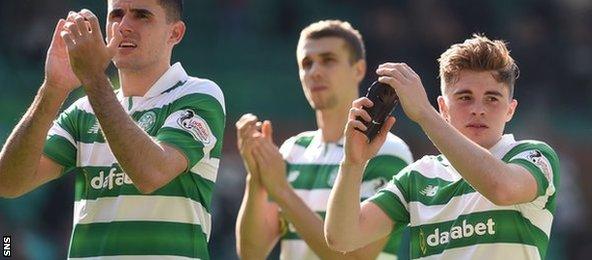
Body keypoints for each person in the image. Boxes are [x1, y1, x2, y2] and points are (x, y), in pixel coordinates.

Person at [0, 0, 225, 258]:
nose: (124, 26)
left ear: (174, 33)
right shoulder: (85, 110)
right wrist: (53, 89)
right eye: (116, 15)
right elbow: (8, 183)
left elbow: (151, 173)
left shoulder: (198, 94)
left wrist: (94, 77)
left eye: (142, 15)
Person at [325, 34, 560, 259]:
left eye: (492, 98)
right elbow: (343, 239)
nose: (478, 109)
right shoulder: (418, 176)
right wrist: (353, 163)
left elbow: (501, 189)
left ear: (510, 109)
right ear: (443, 108)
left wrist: (424, 114)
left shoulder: (534, 156)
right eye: (465, 97)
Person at [235, 20, 413, 260]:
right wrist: (257, 177)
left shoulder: (387, 150)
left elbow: (353, 257)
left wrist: (281, 190)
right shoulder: (293, 149)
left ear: (359, 69)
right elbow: (251, 253)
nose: (315, 72)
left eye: (328, 60)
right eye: (306, 64)